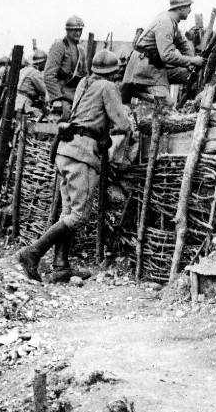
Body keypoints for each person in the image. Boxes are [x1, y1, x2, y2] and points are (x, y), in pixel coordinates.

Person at [16, 50, 134, 284]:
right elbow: (122, 123)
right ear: (114, 72)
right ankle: (33, 253)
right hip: (82, 154)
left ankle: (61, 266)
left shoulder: (83, 82)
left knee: (67, 212)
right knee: (79, 216)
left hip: (65, 150)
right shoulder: (108, 87)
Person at [123, 0, 205, 107]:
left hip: (155, 66)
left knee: (188, 74)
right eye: (188, 6)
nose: (190, 10)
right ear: (180, 8)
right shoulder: (165, 23)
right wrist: (191, 61)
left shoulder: (172, 22)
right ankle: (136, 91)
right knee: (168, 104)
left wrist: (191, 62)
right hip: (145, 69)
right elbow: (166, 55)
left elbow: (182, 43)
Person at [45, 15, 88, 119]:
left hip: (76, 98)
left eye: (80, 30)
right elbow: (49, 75)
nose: (78, 33)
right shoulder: (59, 46)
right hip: (61, 98)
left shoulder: (81, 50)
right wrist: (56, 99)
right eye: (75, 30)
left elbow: (86, 77)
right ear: (67, 31)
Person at [16, 49, 48, 117]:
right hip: (25, 104)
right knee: (43, 117)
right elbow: (44, 90)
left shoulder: (24, 70)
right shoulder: (34, 73)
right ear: (42, 62)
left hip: (17, 102)